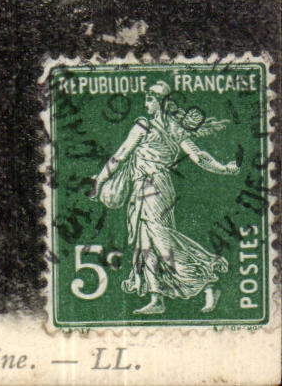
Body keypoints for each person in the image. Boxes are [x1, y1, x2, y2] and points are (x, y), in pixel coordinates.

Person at [91, 81, 238, 314]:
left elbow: (119, 156)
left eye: (149, 99)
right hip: (154, 188)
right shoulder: (176, 129)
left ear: (160, 103)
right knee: (146, 243)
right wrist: (225, 168)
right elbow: (199, 157)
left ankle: (209, 279)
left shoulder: (144, 125)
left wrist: (98, 182)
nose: (146, 104)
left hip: (152, 188)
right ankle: (156, 298)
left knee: (161, 241)